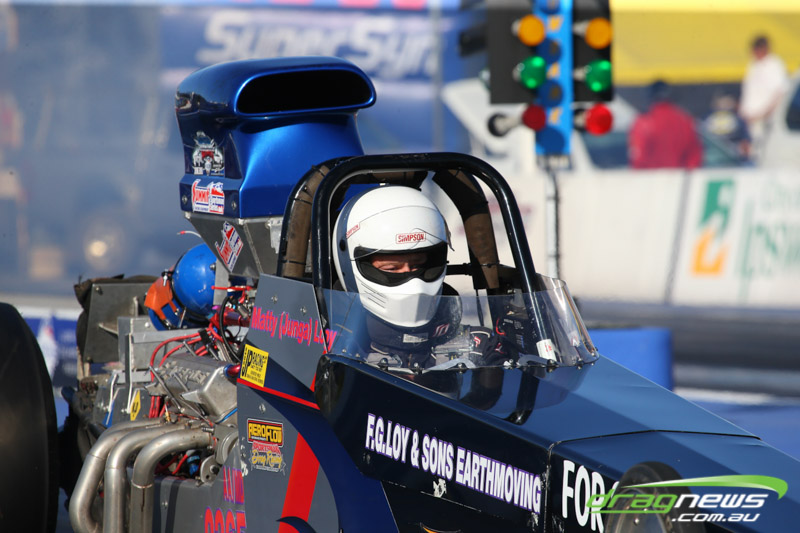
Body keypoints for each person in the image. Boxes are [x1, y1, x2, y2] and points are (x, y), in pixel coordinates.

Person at [332, 185, 511, 369]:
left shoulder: (479, 347)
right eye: (392, 268)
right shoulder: (335, 348)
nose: (413, 282)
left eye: (417, 266)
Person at [628, 80, 703, 170]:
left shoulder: (645, 121)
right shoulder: (685, 121)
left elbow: (638, 157)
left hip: (650, 176)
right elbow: (695, 155)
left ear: (650, 97)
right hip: (679, 175)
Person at [739, 35, 789, 162]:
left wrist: (764, 114)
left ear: (764, 49)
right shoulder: (753, 65)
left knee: (763, 153)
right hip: (749, 120)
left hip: (765, 121)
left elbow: (780, 93)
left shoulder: (774, 65)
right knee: (749, 153)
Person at [704, 92, 751, 162]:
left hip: (723, 159)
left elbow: (745, 145)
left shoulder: (706, 118)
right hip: (723, 160)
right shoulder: (738, 119)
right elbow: (745, 145)